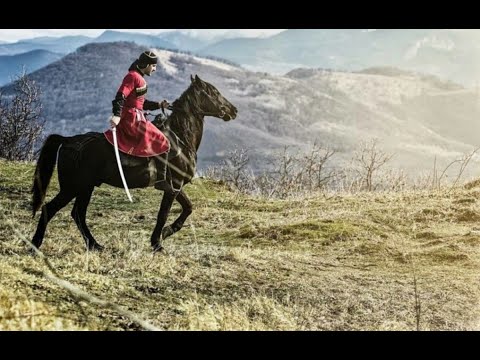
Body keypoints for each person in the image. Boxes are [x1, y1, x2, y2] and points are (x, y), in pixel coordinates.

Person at [104, 50, 171, 191]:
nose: (155, 68)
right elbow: (120, 96)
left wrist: (159, 105)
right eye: (153, 65)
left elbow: (140, 103)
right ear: (146, 64)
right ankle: (160, 180)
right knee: (163, 141)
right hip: (131, 120)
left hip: (135, 115)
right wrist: (116, 115)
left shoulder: (137, 76)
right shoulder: (132, 77)